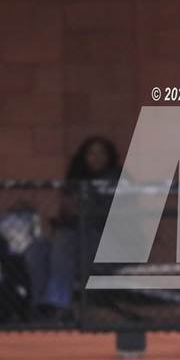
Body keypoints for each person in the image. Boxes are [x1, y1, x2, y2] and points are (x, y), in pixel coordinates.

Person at [40, 137, 121, 320]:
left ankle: (59, 304)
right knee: (37, 250)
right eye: (91, 153)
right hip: (74, 238)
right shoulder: (77, 179)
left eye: (101, 153)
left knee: (64, 241)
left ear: (109, 156)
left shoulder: (117, 179)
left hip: (106, 241)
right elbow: (68, 214)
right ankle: (41, 311)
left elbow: (109, 216)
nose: (96, 157)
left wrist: (83, 209)